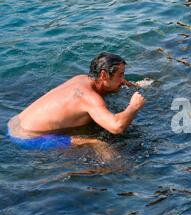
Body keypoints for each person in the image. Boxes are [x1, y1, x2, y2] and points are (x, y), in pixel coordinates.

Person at [7, 52, 145, 151]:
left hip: (15, 122)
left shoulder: (81, 79)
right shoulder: (89, 98)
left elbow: (113, 83)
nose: (122, 80)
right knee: (98, 144)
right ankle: (118, 175)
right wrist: (133, 107)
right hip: (27, 137)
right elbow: (117, 127)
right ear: (103, 74)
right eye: (120, 75)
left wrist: (136, 85)